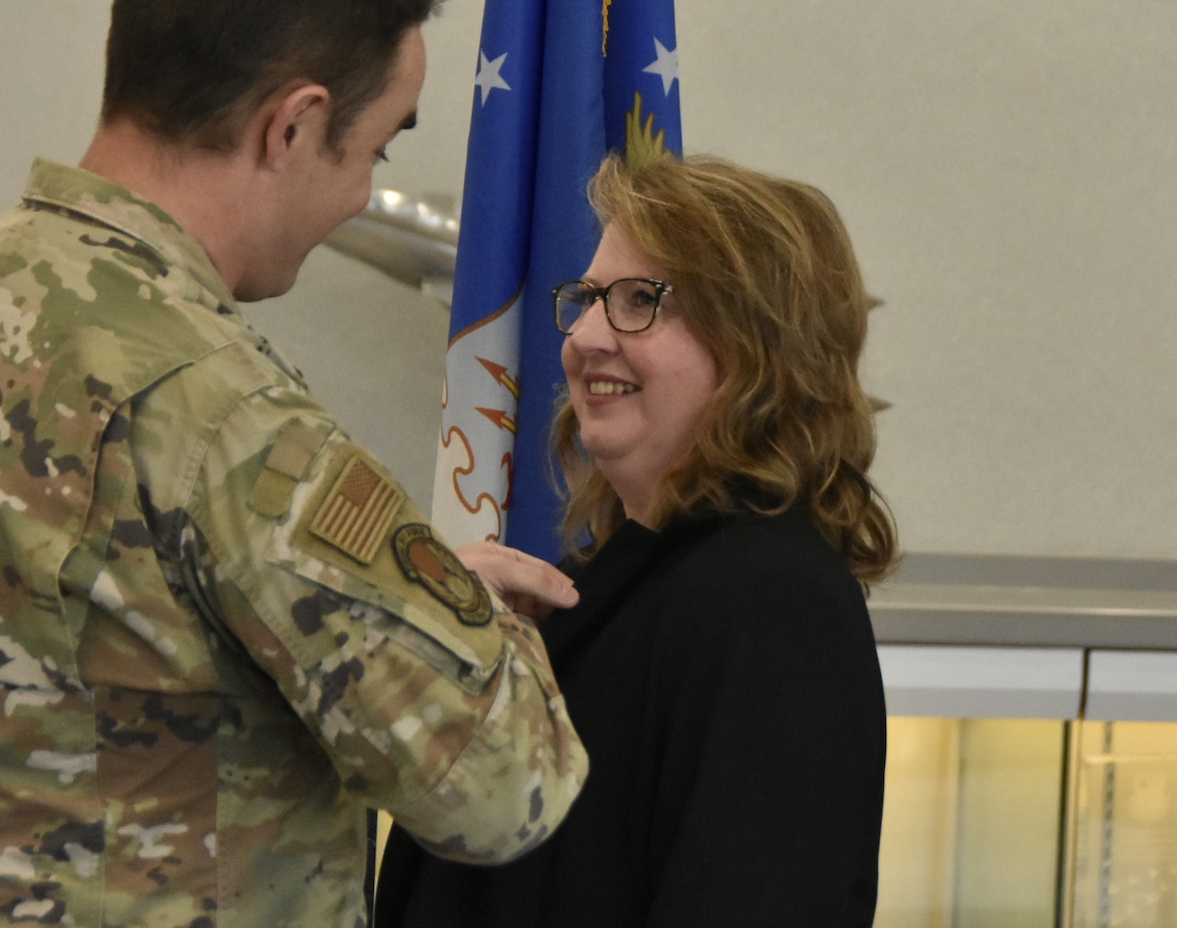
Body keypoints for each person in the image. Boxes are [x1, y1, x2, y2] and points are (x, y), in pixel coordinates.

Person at [0, 0, 587, 927]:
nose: (362, 194)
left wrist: (393, 599)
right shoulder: (219, 407)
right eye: (378, 146)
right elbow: (502, 785)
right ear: (292, 125)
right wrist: (458, 616)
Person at [376, 152, 897, 928]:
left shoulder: (774, 602)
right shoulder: (610, 585)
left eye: (640, 300)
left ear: (760, 346)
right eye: (589, 299)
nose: (584, 337)